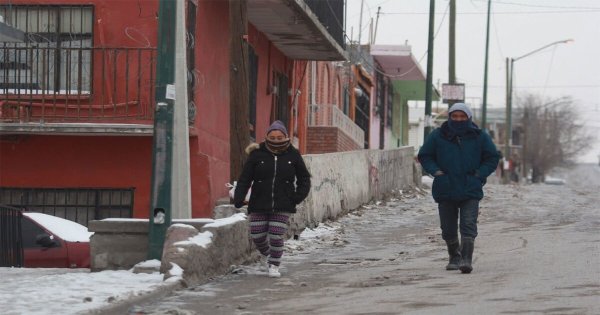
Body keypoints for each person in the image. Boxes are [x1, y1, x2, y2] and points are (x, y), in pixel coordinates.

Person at [417, 103, 499, 274]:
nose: (458, 120)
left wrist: (479, 174)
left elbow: (492, 157)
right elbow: (425, 155)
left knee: (468, 224)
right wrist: (436, 172)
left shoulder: (480, 136)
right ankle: (454, 255)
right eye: (455, 116)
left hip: (471, 188)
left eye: (462, 117)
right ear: (450, 117)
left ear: (468, 118)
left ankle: (466, 259)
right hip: (445, 188)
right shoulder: (438, 135)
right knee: (448, 228)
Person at [233, 120, 311, 278]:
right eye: (273, 137)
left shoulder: (293, 154)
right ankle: (268, 254)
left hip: (283, 204)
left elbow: (304, 179)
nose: (276, 140)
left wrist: (295, 198)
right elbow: (245, 179)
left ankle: (274, 264)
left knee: (276, 235)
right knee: (257, 235)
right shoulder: (257, 154)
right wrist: (239, 198)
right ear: (267, 136)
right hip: (258, 202)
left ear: (286, 137)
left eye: (279, 137)